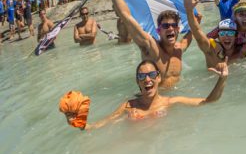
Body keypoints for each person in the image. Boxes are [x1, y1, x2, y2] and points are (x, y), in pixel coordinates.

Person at [62, 59, 228, 130]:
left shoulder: (171, 101)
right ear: (138, 82)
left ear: (159, 78)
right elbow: (100, 125)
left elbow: (208, 101)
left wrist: (222, 80)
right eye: (142, 76)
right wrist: (78, 122)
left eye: (151, 75)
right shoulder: (129, 106)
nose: (147, 79)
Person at [107, 0, 193, 88]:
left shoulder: (179, 48)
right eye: (165, 26)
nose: (170, 28)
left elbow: (194, 32)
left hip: (174, 99)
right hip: (152, 101)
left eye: (173, 25)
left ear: (178, 29)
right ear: (158, 30)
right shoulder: (151, 47)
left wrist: (191, 13)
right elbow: (126, 16)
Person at [184, 0, 246, 68]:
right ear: (235, 16)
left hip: (238, 56)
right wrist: (216, 44)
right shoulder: (227, 27)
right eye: (241, 15)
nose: (245, 18)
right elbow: (207, 38)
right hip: (226, 54)